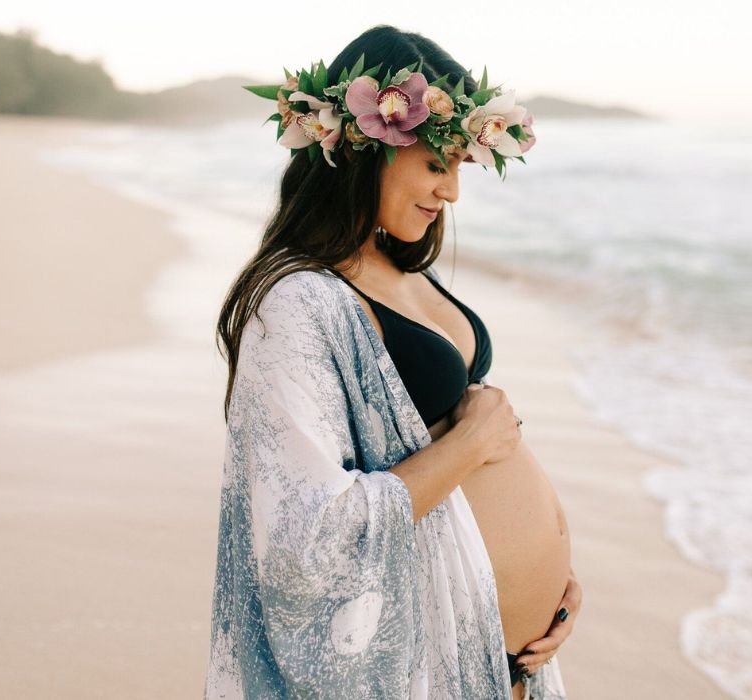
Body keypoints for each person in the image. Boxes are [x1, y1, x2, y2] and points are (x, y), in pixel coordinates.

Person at [204, 25, 581, 699]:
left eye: (461, 168)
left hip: (513, 660)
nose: (452, 195)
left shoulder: (401, 271)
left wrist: (551, 583)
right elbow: (305, 538)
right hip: (424, 663)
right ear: (363, 149)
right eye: (438, 166)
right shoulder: (296, 302)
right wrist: (471, 444)